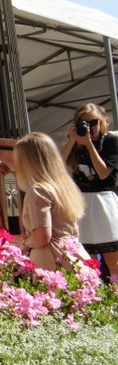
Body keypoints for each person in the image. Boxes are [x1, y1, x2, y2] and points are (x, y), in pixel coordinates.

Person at [14, 133, 88, 271]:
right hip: (75, 255)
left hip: (52, 261)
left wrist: (23, 242)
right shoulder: (65, 187)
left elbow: (42, 237)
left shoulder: (37, 191)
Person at [61, 103, 118, 277]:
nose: (89, 127)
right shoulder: (75, 143)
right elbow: (57, 166)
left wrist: (90, 145)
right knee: (86, 260)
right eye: (83, 123)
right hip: (81, 202)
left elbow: (102, 174)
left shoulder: (110, 141)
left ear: (103, 123)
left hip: (103, 200)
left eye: (94, 122)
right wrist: (72, 140)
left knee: (112, 259)